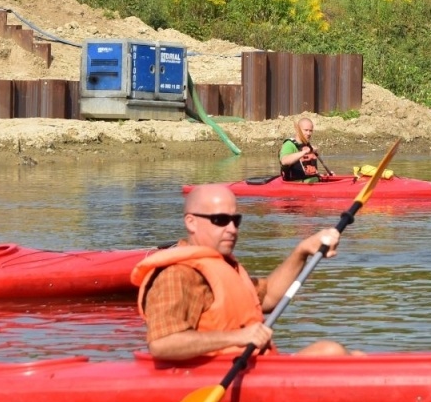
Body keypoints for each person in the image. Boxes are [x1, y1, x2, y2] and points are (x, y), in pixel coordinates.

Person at [129, 183, 352, 361]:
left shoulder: (224, 265)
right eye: (220, 220)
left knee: (342, 355)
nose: (232, 229)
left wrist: (302, 250)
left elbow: (271, 297)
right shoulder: (177, 274)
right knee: (330, 352)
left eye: (236, 220)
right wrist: (239, 336)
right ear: (191, 222)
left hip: (251, 368)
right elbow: (162, 344)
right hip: (212, 379)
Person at [278, 117, 331, 183]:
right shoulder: (289, 144)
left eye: (310, 131)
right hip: (295, 186)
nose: (308, 133)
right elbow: (284, 161)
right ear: (298, 130)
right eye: (306, 130)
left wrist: (323, 175)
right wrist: (304, 152)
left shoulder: (307, 145)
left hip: (312, 183)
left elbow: (308, 172)